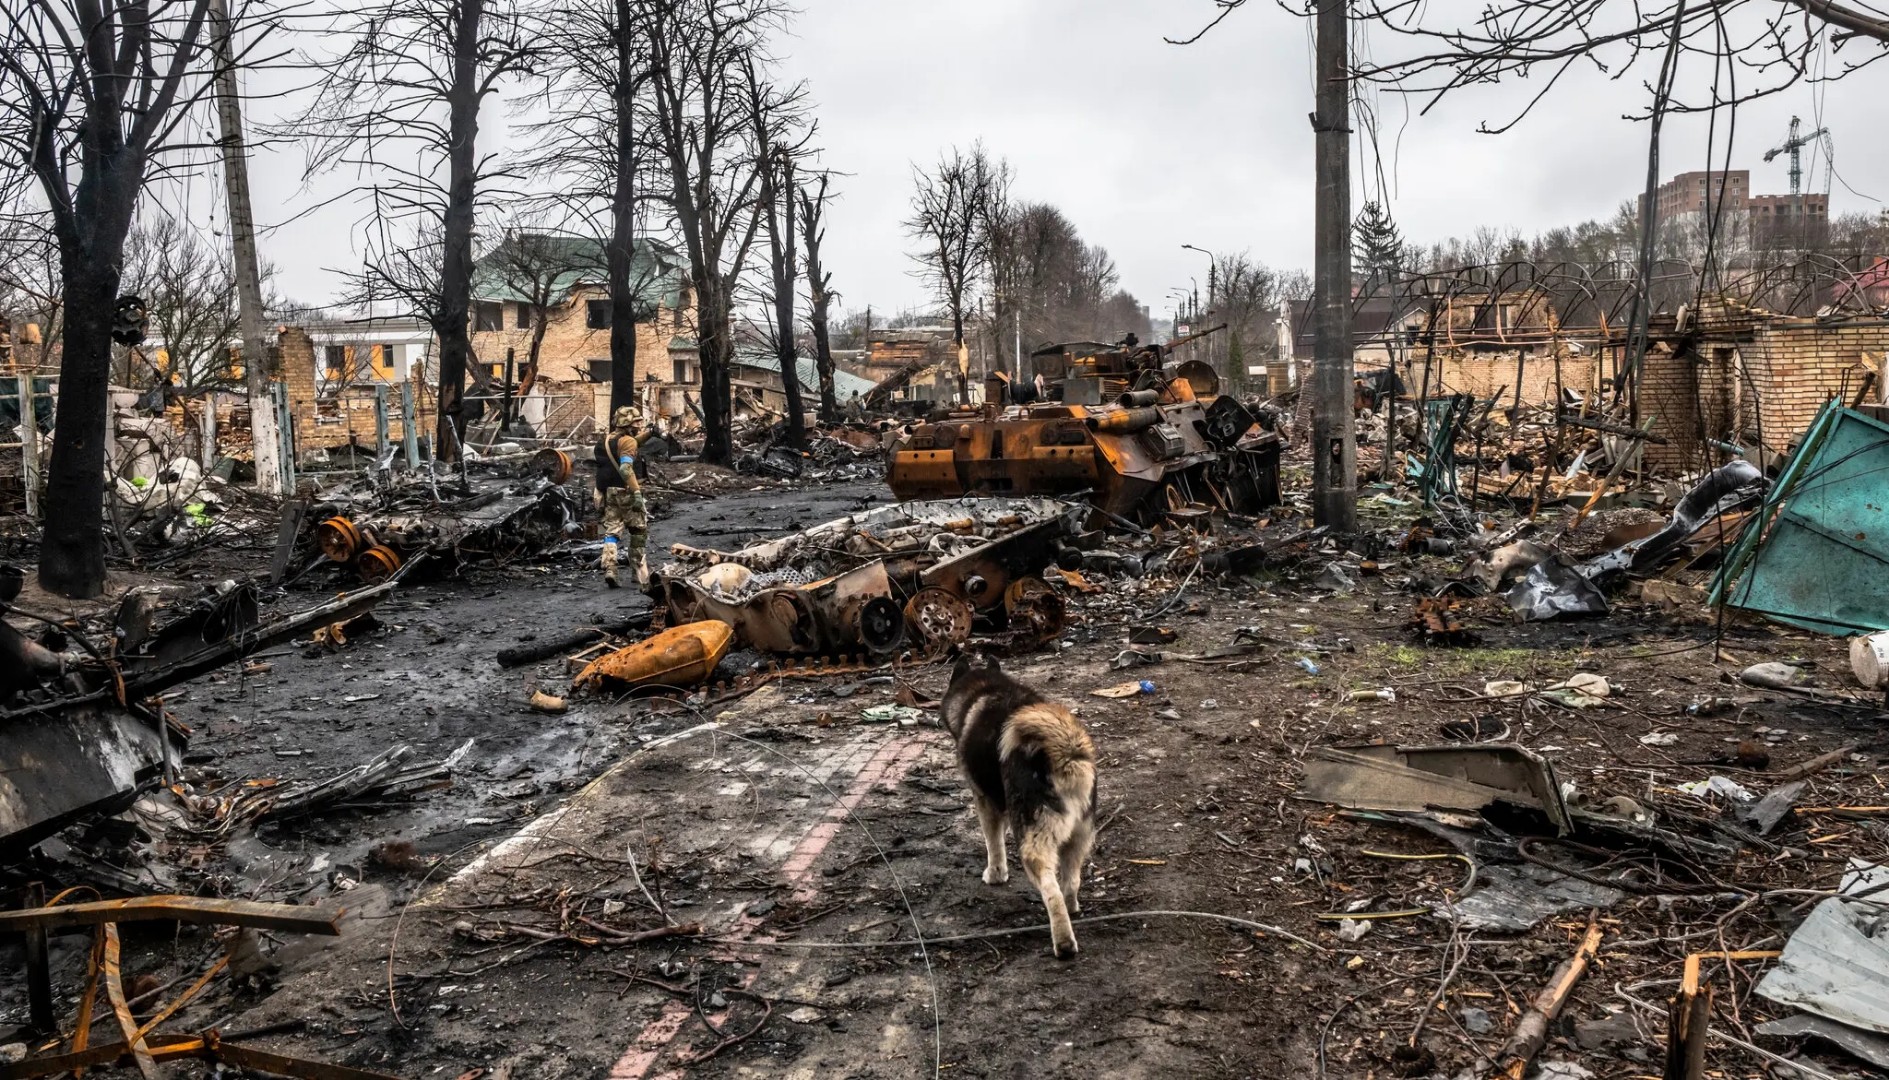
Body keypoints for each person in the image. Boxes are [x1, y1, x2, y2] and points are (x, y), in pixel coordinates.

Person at [595, 406, 649, 588]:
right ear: (628, 424)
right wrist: (637, 493)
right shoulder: (628, 442)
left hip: (610, 492)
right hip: (627, 491)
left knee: (612, 531)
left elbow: (628, 444)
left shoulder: (606, 440)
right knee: (638, 531)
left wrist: (650, 434)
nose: (639, 426)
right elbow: (626, 468)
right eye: (636, 423)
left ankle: (610, 568)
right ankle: (637, 571)